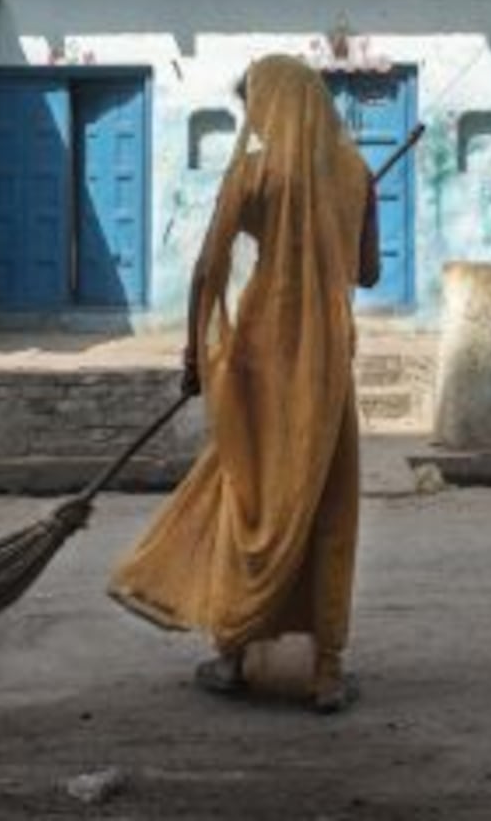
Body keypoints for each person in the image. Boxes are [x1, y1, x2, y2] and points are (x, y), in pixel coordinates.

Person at [108, 54, 381, 715]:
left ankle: (231, 655)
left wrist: (195, 355)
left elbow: (208, 268)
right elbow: (366, 273)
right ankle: (327, 673)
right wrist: (331, 238)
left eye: (254, 105)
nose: (253, 119)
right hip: (323, 363)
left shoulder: (253, 171)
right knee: (324, 503)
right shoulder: (356, 173)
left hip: (259, 351)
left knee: (249, 495)